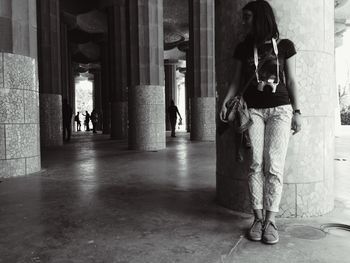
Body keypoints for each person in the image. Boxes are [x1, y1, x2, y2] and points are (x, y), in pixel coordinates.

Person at [220, 0, 301, 245]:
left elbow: (292, 80)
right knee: (256, 164)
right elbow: (235, 81)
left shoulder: (285, 46)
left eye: (247, 17)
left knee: (274, 166)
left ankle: (271, 221)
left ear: (260, 18)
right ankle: (257, 219)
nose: (243, 22)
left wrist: (297, 111)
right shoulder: (243, 48)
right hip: (252, 110)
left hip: (280, 110)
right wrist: (225, 102)